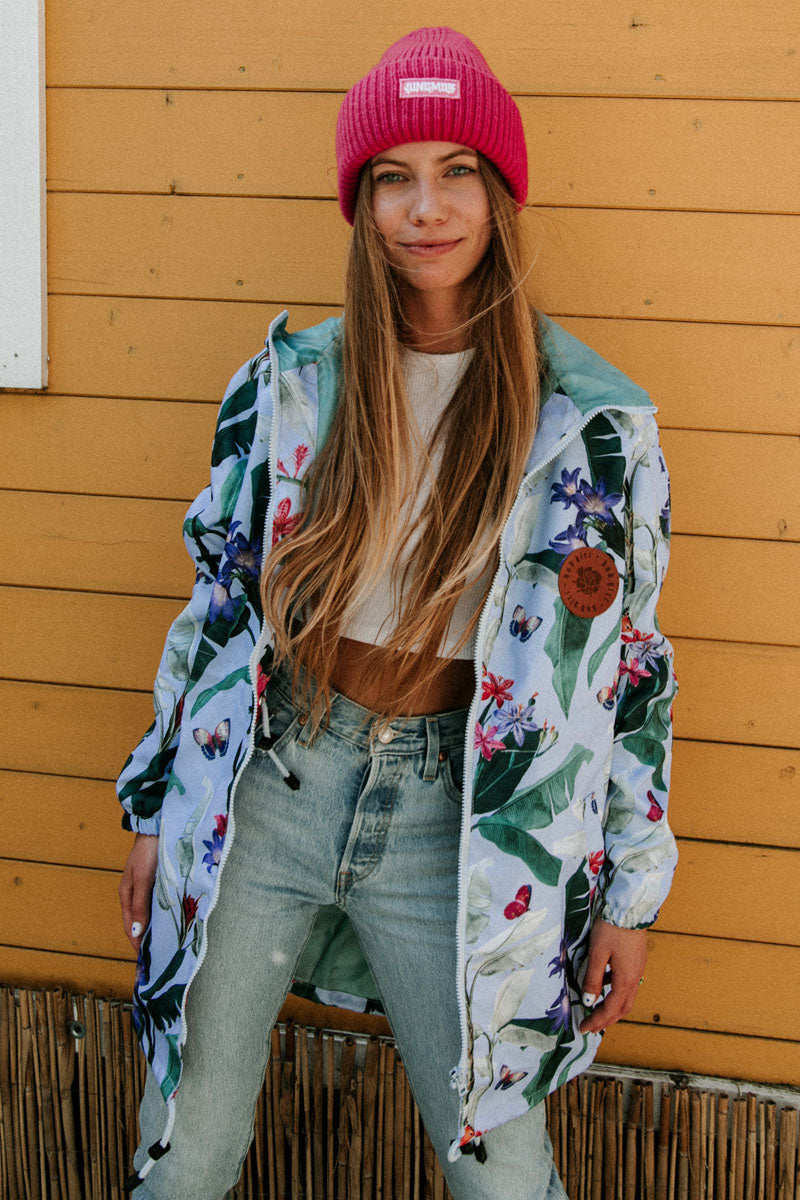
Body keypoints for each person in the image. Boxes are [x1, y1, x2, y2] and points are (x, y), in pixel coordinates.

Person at [117, 26, 678, 1199]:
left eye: (456, 170)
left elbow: (628, 670)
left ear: (499, 192)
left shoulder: (590, 428)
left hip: (458, 822)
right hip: (268, 789)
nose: (425, 209)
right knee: (187, 1155)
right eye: (392, 177)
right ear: (360, 202)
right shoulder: (288, 387)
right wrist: (160, 800)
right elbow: (216, 599)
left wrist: (629, 895)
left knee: (501, 1177)